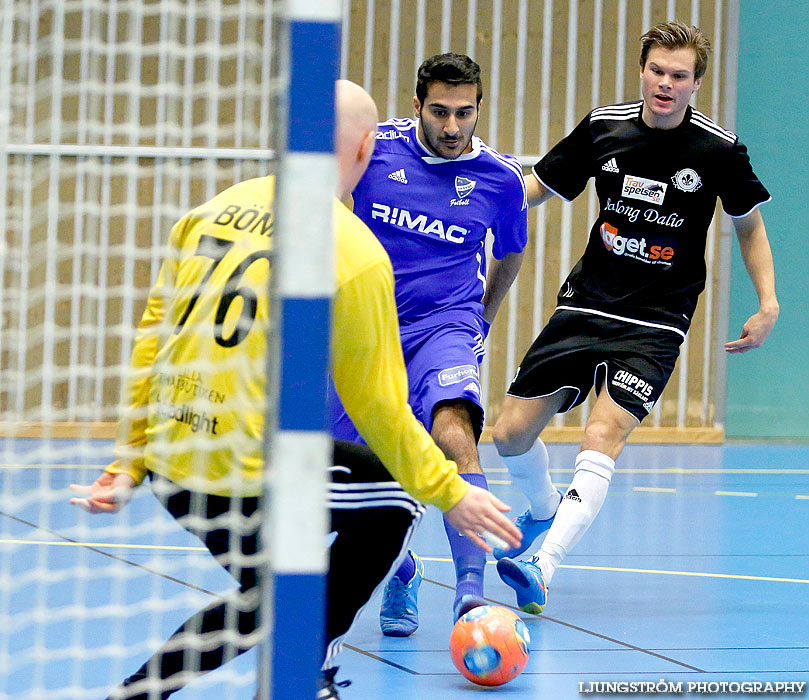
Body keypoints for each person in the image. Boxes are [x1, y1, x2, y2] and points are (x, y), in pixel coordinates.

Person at [70, 80, 520, 700]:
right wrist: (450, 491)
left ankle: (160, 691)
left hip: (175, 460)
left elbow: (154, 335)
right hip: (247, 463)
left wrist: (130, 461)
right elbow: (380, 408)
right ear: (368, 150)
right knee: (396, 497)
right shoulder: (354, 251)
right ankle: (303, 667)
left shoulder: (211, 211)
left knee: (274, 598)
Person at [489, 21, 779, 614]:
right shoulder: (603, 127)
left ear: (696, 83)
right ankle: (543, 509)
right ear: (642, 70)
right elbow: (538, 186)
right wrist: (468, 201)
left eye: (679, 76)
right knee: (509, 435)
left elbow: (748, 225)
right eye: (657, 71)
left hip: (657, 317)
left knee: (602, 434)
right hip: (585, 301)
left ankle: (542, 566)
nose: (665, 84)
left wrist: (767, 301)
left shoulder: (718, 151)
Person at [330, 52, 528, 634]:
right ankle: (400, 567)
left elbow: (510, 252)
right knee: (352, 468)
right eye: (438, 111)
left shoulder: (499, 178)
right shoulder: (376, 150)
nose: (450, 127)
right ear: (417, 104)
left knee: (453, 433)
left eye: (463, 113)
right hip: (365, 327)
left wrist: (480, 320)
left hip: (445, 324)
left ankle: (471, 597)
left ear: (479, 109)